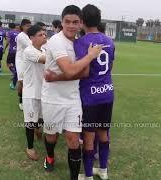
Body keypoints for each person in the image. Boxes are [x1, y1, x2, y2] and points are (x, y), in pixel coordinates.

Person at [41, 5, 102, 180]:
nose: (71, 25)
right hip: (52, 99)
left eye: (75, 22)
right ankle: (50, 156)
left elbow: (84, 73)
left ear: (81, 23)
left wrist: (57, 77)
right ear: (62, 22)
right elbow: (69, 70)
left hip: (73, 99)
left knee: (73, 140)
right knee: (51, 136)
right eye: (67, 21)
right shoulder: (56, 41)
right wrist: (90, 56)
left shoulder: (80, 42)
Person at [74, 5, 115, 180]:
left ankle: (89, 175)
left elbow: (82, 69)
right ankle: (103, 170)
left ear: (82, 21)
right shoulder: (110, 41)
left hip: (90, 96)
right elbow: (110, 66)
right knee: (104, 133)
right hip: (107, 93)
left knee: (89, 138)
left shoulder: (81, 42)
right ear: (99, 20)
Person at [22, 24, 47, 161]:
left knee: (41, 118)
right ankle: (30, 147)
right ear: (31, 38)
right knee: (30, 122)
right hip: (31, 93)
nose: (44, 36)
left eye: (44, 34)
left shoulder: (43, 49)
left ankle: (38, 129)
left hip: (43, 92)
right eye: (40, 35)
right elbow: (46, 60)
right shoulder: (29, 51)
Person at [15, 19, 32, 110]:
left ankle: (27, 100)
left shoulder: (30, 35)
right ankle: (20, 101)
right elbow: (31, 45)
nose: (29, 27)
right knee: (21, 81)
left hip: (29, 61)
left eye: (30, 25)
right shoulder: (21, 36)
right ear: (22, 27)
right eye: (27, 26)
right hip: (21, 61)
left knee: (28, 81)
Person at [4, 23, 19, 89]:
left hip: (11, 51)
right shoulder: (18, 33)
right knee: (15, 64)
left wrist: (5, 48)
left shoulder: (9, 32)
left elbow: (8, 41)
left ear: (9, 27)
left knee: (8, 64)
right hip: (17, 51)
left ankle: (15, 74)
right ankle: (15, 74)